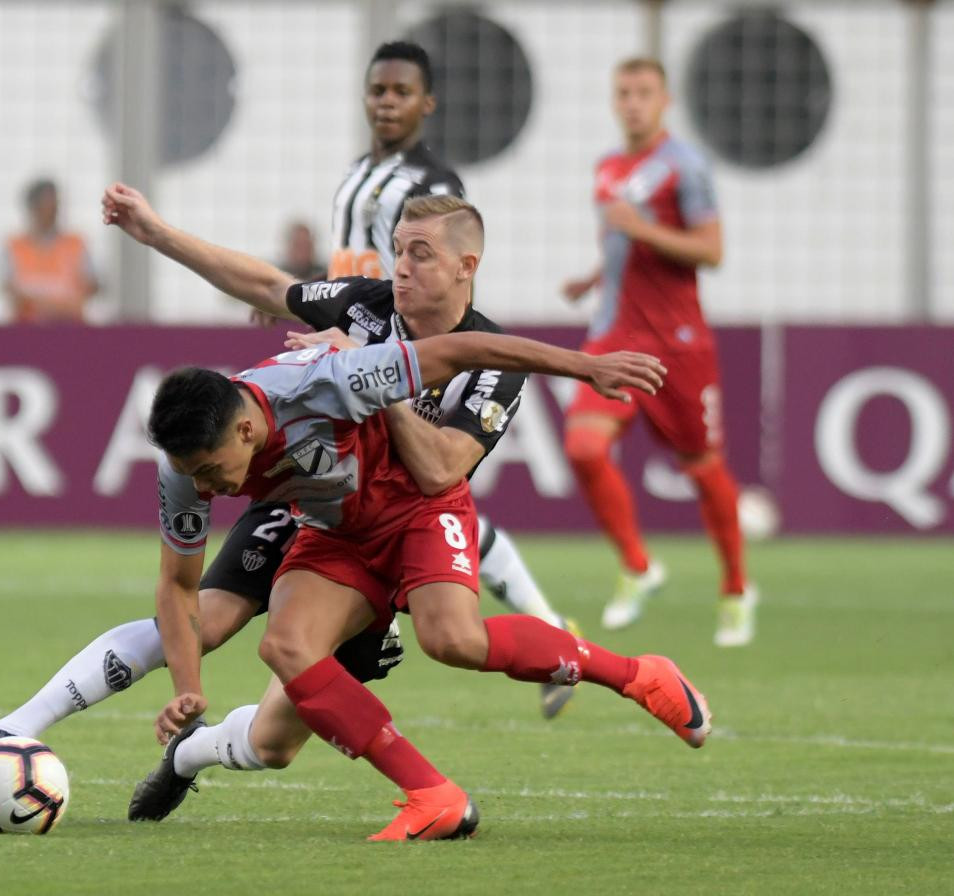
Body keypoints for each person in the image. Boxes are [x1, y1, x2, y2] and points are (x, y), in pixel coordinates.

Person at [111, 191, 708, 842]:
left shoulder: (477, 362)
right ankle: (432, 794)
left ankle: (639, 675)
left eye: (419, 254)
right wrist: (153, 231)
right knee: (282, 658)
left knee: (453, 640)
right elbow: (262, 282)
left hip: (422, 509)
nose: (399, 267)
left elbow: (440, 466)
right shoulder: (363, 305)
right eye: (397, 250)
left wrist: (370, 383)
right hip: (338, 524)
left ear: (464, 266)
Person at [328, 39, 577, 715]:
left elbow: (439, 257)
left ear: (426, 104)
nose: (386, 103)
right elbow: (351, 267)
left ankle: (542, 635)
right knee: (419, 509)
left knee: (423, 498)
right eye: (377, 90)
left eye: (400, 92)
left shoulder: (432, 188)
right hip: (356, 347)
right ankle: (550, 631)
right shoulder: (357, 173)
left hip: (401, 352)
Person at [560, 58, 757, 646]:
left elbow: (712, 251)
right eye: (623, 93)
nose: (633, 103)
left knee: (702, 468)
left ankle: (737, 590)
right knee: (583, 446)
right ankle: (638, 568)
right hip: (615, 333)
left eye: (644, 93)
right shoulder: (607, 167)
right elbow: (624, 245)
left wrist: (640, 229)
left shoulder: (685, 166)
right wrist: (595, 277)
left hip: (680, 344)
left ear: (665, 99)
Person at [0, 178, 98, 323]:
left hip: (71, 329)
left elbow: (92, 285)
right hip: (26, 329)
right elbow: (9, 289)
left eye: (54, 205)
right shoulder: (14, 246)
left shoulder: (76, 243)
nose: (51, 211)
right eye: (45, 205)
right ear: (33, 208)